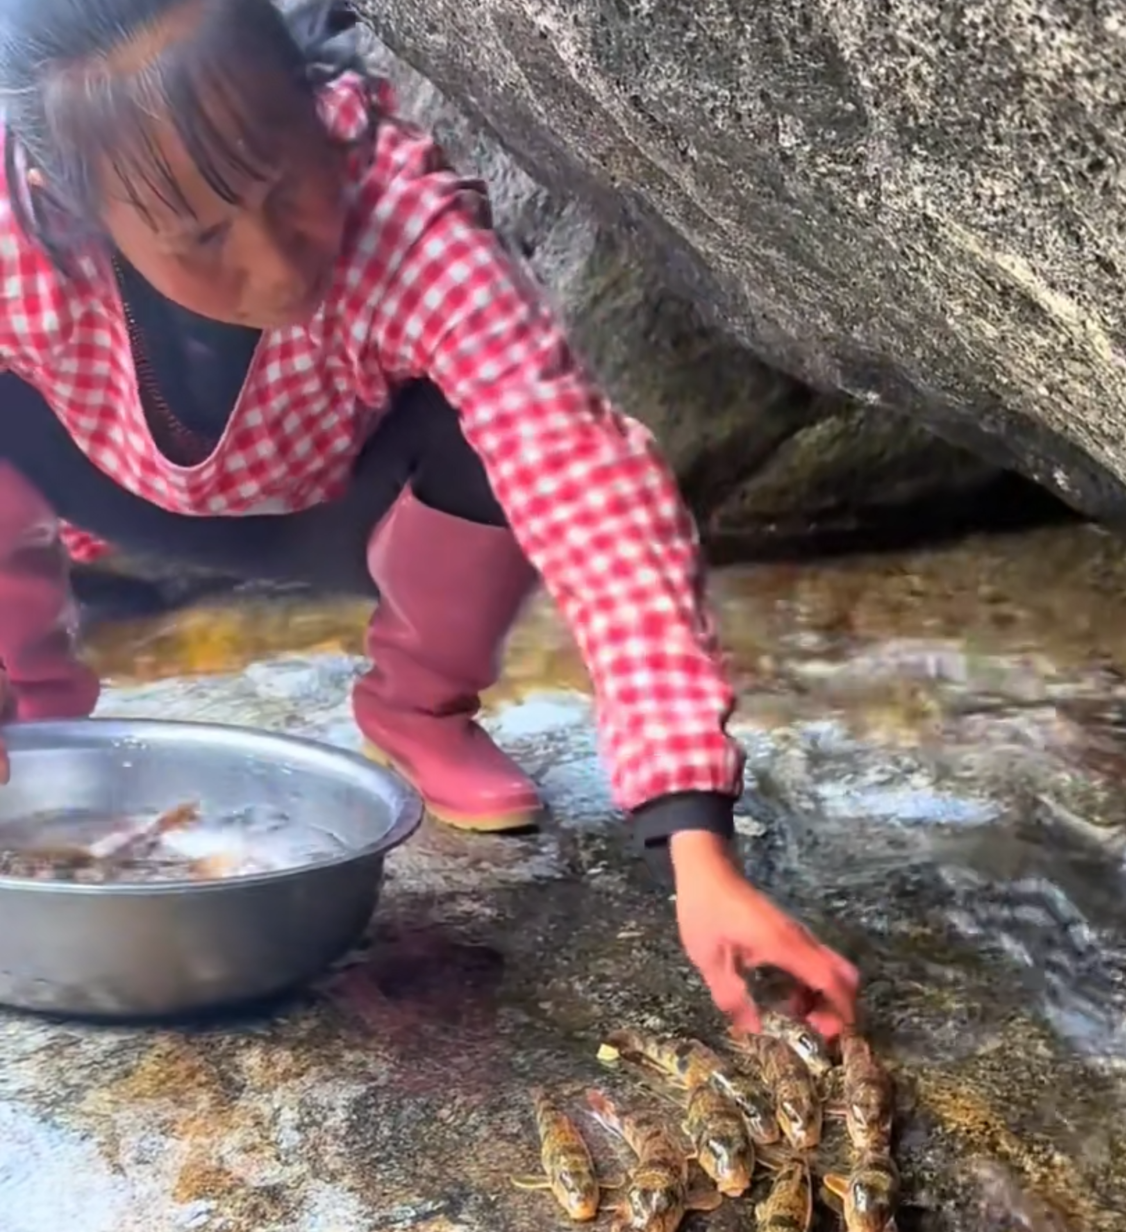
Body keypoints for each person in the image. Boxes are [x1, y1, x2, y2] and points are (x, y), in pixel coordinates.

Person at [0, 0, 859, 1039]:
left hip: (336, 501)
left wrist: (695, 843)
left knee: (511, 444)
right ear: (64, 207)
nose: (277, 265)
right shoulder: (17, 238)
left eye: (289, 180)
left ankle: (419, 705)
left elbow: (581, 477)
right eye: (203, 237)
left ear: (317, 102)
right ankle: (29, 717)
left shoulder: (407, 218)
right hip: (104, 479)